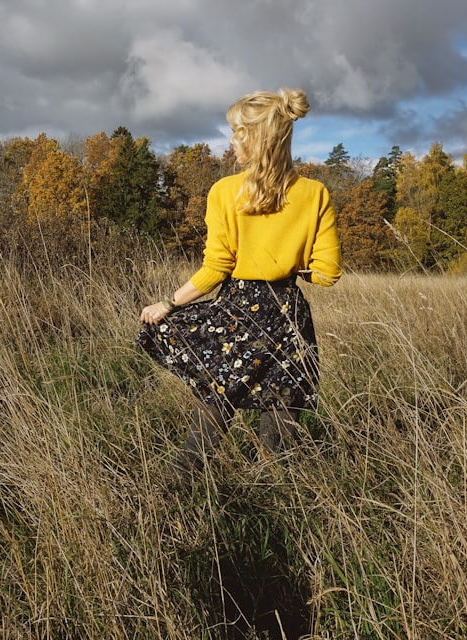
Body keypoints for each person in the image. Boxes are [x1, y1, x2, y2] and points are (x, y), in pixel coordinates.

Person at [137, 88, 341, 483]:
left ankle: (175, 489)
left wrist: (168, 303)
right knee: (281, 414)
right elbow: (327, 273)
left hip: (238, 310)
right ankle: (282, 500)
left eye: (237, 132)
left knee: (217, 396)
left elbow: (217, 268)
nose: (231, 141)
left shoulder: (225, 192)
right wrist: (287, 266)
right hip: (287, 314)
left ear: (259, 136)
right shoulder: (315, 194)